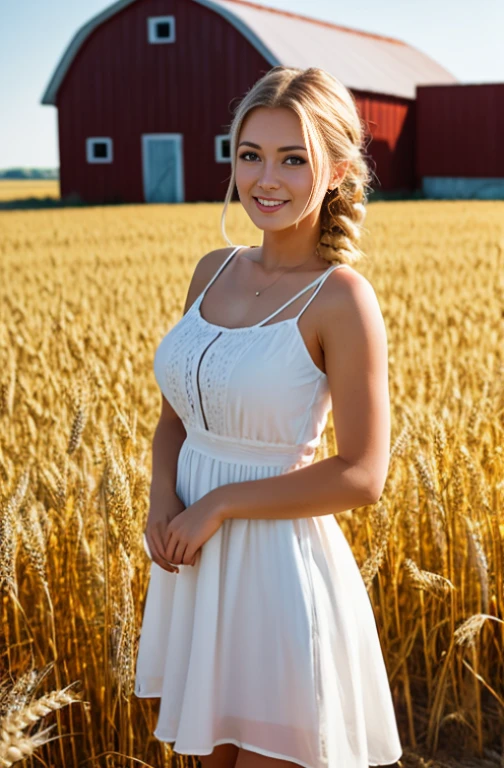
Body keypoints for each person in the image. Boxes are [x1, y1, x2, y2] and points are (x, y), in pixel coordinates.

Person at [135, 65, 403, 768]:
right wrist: (164, 499)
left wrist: (218, 504)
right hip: (193, 562)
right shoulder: (211, 271)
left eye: (294, 159)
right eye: (250, 155)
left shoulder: (341, 299)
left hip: (275, 574)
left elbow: (362, 474)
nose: (266, 180)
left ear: (339, 171)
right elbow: (176, 420)